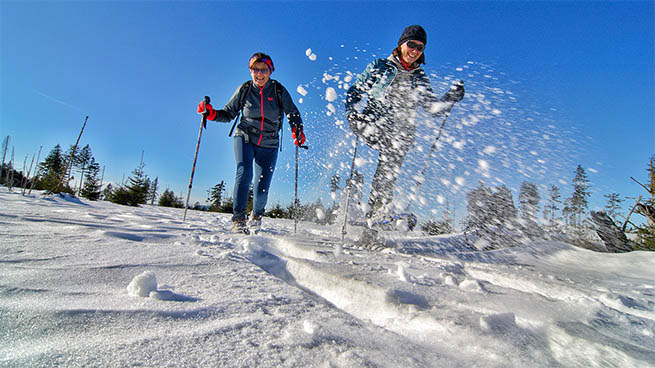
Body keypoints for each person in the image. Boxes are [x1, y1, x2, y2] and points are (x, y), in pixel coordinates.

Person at [345, 25, 464, 242]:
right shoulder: (380, 66)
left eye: (420, 47)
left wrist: (449, 98)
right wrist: (353, 115)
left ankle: (376, 213)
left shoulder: (419, 77)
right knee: (385, 160)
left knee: (388, 172)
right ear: (401, 45)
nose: (415, 50)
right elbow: (355, 91)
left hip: (401, 132)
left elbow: (431, 108)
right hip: (375, 123)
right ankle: (358, 201)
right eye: (412, 44)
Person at [198, 52, 306, 234]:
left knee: (262, 187)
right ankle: (238, 219)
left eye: (264, 70)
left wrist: (297, 129)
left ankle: (256, 216)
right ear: (250, 71)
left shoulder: (278, 90)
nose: (259, 73)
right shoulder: (245, 89)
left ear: (270, 71)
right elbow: (228, 113)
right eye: (255, 69)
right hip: (245, 136)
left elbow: (292, 112)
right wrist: (211, 113)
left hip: (269, 142)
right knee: (244, 172)